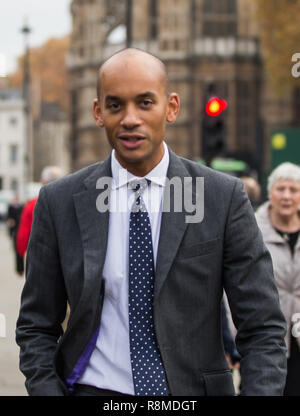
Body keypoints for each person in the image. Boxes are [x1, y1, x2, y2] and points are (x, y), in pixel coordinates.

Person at [16, 48, 287, 396]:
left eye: (145, 103)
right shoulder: (58, 202)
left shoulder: (221, 197)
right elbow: (36, 324)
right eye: (115, 105)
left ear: (171, 107)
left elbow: (262, 326)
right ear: (98, 112)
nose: (130, 118)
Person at [256, 162, 300, 396]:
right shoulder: (252, 230)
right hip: (267, 339)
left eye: (294, 190)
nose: (287, 196)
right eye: (280, 189)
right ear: (270, 193)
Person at [16, 166, 63, 260]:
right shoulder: (67, 203)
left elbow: (23, 234)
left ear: (43, 182)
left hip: (39, 255)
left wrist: (21, 253)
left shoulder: (32, 205)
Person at [6, 195, 24, 275]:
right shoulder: (11, 207)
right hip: (15, 228)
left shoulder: (21, 206)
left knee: (20, 248)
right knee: (17, 248)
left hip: (21, 227)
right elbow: (9, 217)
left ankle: (21, 268)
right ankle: (19, 268)